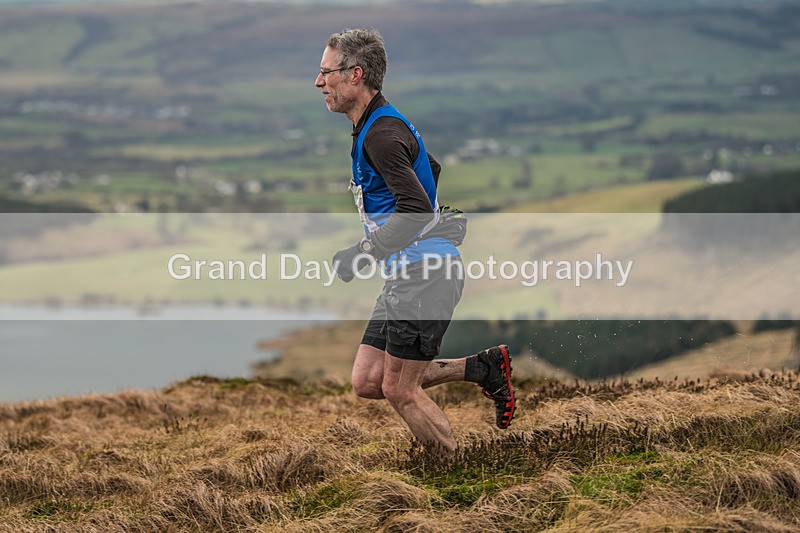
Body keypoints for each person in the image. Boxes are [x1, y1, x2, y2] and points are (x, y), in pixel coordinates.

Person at [315, 28, 515, 452]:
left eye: (325, 73)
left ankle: (454, 473)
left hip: (425, 274)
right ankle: (483, 368)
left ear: (355, 74)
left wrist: (364, 252)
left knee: (400, 389)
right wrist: (435, 216)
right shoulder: (377, 125)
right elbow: (431, 169)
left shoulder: (381, 135)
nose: (319, 83)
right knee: (369, 381)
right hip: (409, 272)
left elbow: (416, 207)